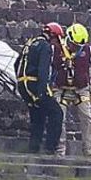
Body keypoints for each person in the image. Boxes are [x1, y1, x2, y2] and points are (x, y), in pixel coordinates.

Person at [53, 22, 91, 163]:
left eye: (79, 46)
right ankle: (59, 152)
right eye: (74, 45)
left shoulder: (87, 50)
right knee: (58, 119)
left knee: (87, 118)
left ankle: (90, 153)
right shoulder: (57, 48)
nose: (76, 48)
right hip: (60, 88)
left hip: (81, 89)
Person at [15, 22, 65, 155]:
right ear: (53, 36)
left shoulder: (30, 43)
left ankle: (34, 148)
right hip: (34, 84)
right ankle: (50, 148)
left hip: (22, 85)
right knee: (56, 113)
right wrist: (42, 91)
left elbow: (16, 63)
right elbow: (43, 70)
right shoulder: (45, 46)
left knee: (38, 116)